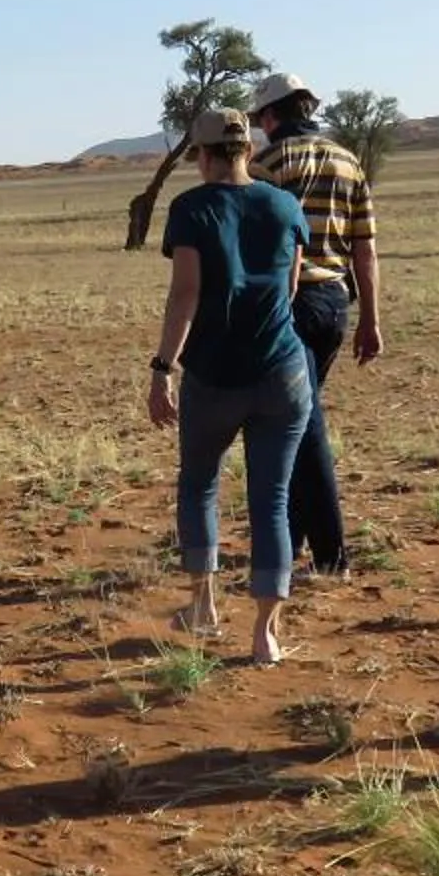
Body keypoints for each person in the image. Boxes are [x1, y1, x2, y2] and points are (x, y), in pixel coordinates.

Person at [148, 105, 314, 665]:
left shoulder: (193, 209)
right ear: (245, 149)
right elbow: (290, 289)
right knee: (271, 500)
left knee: (199, 486)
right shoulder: (284, 203)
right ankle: (266, 633)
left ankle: (204, 607)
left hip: (214, 374)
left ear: (206, 154)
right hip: (283, 370)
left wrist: (162, 366)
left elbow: (185, 294)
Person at [246, 71, 384, 573]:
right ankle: (297, 538)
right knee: (298, 419)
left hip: (288, 304)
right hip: (335, 304)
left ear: (270, 115)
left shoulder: (264, 165)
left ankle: (332, 556)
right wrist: (370, 318)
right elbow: (365, 249)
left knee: (303, 429)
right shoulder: (349, 161)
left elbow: (255, 245)